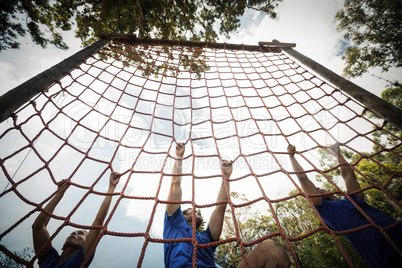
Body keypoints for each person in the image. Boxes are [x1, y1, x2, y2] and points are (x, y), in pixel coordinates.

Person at [164, 142, 290, 268]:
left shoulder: (207, 237)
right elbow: (175, 183)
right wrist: (179, 156)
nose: (198, 212)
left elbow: (221, 208)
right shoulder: (174, 222)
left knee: (271, 249)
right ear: (184, 215)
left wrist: (226, 177)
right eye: (193, 211)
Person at [287, 143, 402, 268]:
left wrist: (337, 152)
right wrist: (292, 157)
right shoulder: (325, 210)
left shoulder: (353, 199)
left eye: (319, 187)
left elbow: (348, 175)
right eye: (315, 190)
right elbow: (303, 179)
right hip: (381, 257)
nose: (317, 190)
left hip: (396, 231)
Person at [32, 171, 121, 267]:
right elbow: (38, 226)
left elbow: (99, 221)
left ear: (85, 245)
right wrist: (60, 193)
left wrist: (111, 187)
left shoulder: (80, 260)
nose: (75, 233)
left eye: (81, 234)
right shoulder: (48, 257)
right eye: (73, 233)